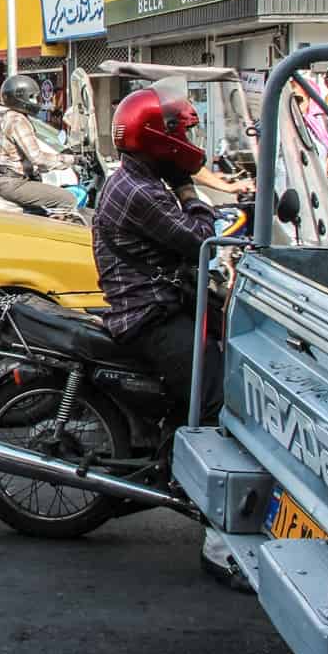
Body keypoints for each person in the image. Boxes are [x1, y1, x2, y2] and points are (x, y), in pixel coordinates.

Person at [90, 82, 246, 591]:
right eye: (182, 131)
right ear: (158, 137)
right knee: (218, 403)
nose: (188, 141)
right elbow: (199, 239)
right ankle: (220, 541)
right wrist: (191, 192)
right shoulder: (142, 191)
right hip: (149, 317)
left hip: (163, 304)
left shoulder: (141, 178)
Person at [0, 74, 77, 213]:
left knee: (41, 211)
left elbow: (25, 159)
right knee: (67, 199)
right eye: (33, 97)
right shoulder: (18, 120)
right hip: (12, 183)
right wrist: (73, 160)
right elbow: (38, 158)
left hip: (6, 180)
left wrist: (59, 157)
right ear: (20, 97)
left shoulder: (10, 116)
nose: (37, 101)